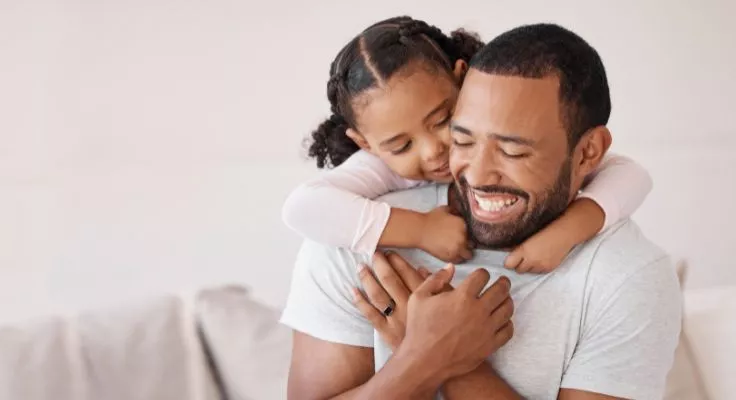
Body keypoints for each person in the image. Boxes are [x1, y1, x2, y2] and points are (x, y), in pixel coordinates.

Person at [281, 20, 681, 399]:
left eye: (513, 150)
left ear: (588, 152)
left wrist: (444, 358)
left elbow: (630, 174)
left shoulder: (625, 275)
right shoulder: (354, 237)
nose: (473, 170)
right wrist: (422, 360)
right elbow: (304, 207)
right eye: (464, 139)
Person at [281, 16, 653, 274]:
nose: (433, 151)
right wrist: (420, 230)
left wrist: (568, 231)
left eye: (444, 122)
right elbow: (302, 208)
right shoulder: (376, 168)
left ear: (463, 80)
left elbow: (631, 174)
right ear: (368, 144)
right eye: (401, 145)